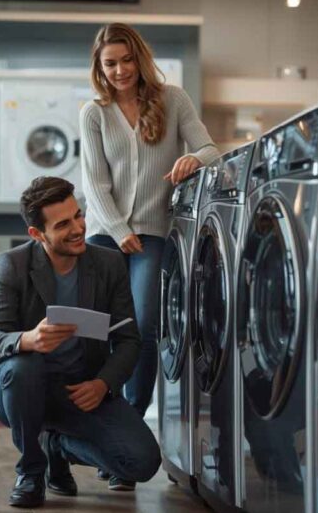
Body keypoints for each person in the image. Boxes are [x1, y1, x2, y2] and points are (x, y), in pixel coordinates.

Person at [0, 176, 161, 508]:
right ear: (37, 235)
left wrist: (103, 383)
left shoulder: (108, 264)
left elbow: (129, 340)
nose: (78, 228)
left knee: (142, 462)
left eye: (79, 216)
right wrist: (28, 339)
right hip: (20, 388)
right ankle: (31, 470)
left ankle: (55, 446)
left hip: (80, 389)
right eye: (63, 224)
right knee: (24, 367)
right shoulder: (12, 265)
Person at [80, 23, 219, 429]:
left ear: (139, 59)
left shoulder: (173, 99)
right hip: (106, 234)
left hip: (154, 234)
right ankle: (99, 421)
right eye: (110, 63)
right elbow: (94, 183)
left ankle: (130, 421)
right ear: (99, 67)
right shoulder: (94, 113)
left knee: (143, 325)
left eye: (126, 60)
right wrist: (120, 230)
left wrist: (196, 160)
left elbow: (212, 150)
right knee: (100, 330)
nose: (120, 70)